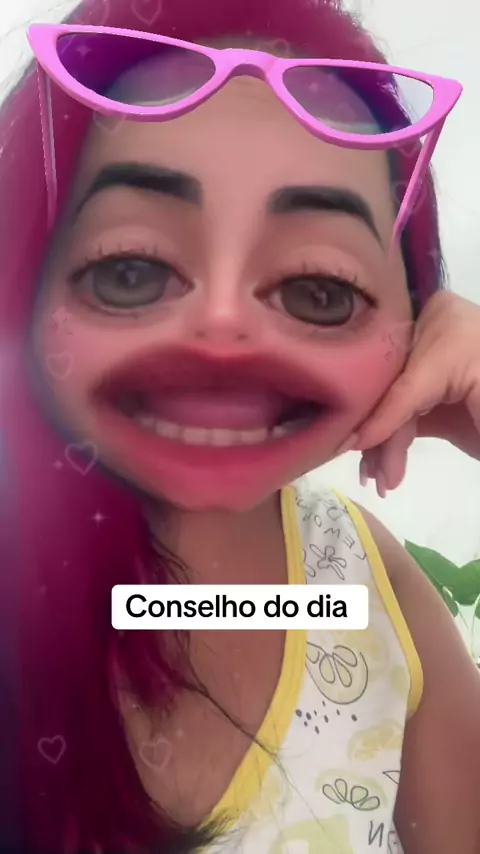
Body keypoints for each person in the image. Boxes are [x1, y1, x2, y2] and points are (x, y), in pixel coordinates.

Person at [0, 0, 480, 852]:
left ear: (411, 327)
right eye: (130, 270)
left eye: (319, 290)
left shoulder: (371, 588)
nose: (222, 329)